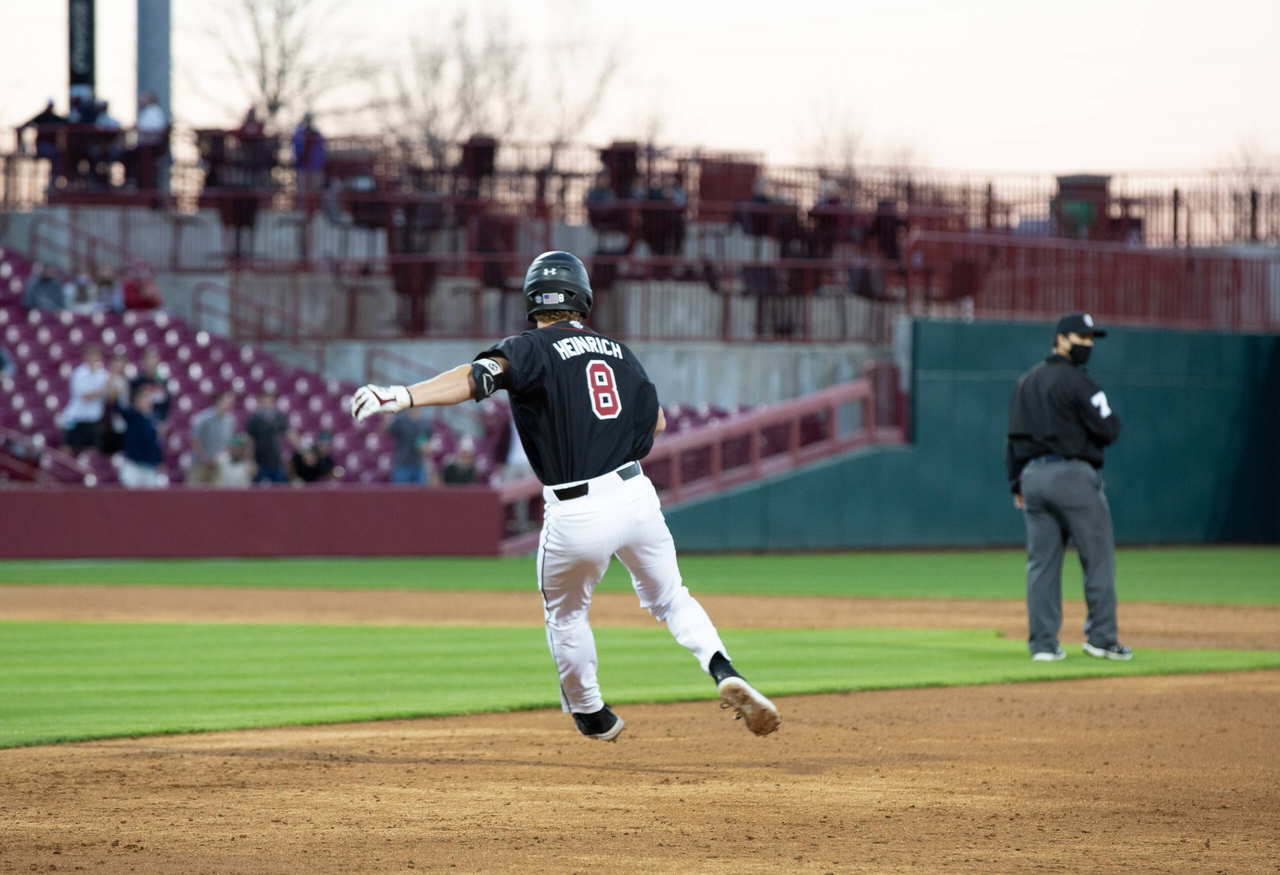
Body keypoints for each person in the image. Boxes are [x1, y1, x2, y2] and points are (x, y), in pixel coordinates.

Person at [351, 251, 780, 742]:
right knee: (671, 598)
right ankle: (723, 669)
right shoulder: (619, 352)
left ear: (533, 299)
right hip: (635, 495)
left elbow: (478, 377)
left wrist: (403, 395)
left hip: (576, 507)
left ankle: (592, 713)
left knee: (567, 613)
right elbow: (657, 422)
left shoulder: (530, 346)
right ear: (582, 296)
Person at [1006, 312, 1129, 662]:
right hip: (1074, 476)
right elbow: (1110, 429)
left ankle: (1043, 646)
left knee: (1041, 565)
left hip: (1033, 478)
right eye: (1081, 337)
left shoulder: (1026, 382)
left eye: (1091, 339)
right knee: (1098, 559)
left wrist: (1016, 481)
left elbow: (1012, 439)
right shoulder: (1080, 383)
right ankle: (1102, 639)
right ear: (1060, 338)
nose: (1087, 344)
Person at [61, 345, 110, 453]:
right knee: (69, 446)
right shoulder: (79, 373)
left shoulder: (103, 374)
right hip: (78, 417)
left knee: (92, 450)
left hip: (93, 419)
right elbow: (84, 396)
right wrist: (102, 389)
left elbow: (110, 395)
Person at [116, 383, 166, 488]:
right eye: (143, 398)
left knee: (150, 499)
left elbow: (156, 443)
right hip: (133, 464)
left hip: (150, 466)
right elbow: (119, 407)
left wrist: (159, 461)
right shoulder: (132, 416)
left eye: (148, 398)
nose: (147, 401)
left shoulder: (155, 418)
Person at [188, 391, 238, 484]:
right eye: (227, 402)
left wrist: (218, 457)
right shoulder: (203, 417)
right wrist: (204, 457)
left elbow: (228, 443)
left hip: (218, 463)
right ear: (218, 401)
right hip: (200, 462)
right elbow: (195, 439)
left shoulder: (230, 420)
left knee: (218, 494)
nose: (230, 405)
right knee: (194, 492)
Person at [245, 390, 294, 483]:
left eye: (269, 402)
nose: (267, 404)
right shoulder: (254, 420)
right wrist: (250, 462)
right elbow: (250, 442)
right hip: (259, 462)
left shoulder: (279, 418)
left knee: (281, 490)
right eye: (264, 401)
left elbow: (289, 434)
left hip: (276, 461)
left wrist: (304, 449)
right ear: (260, 402)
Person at [386, 408, 431, 484]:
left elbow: (428, 441)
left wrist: (426, 448)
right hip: (402, 465)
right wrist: (387, 417)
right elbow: (386, 431)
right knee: (400, 494)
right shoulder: (400, 420)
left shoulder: (425, 422)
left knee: (420, 495)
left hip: (419, 465)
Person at [130, 347, 171, 420]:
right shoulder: (137, 382)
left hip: (159, 422)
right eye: (149, 359)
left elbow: (167, 405)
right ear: (143, 362)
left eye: (154, 359)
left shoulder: (163, 382)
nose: (151, 362)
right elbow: (132, 405)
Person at [292, 112, 326, 191]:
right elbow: (296, 148)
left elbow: (321, 152)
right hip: (302, 168)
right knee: (303, 192)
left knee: (314, 192)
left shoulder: (317, 135)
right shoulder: (299, 134)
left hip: (315, 168)